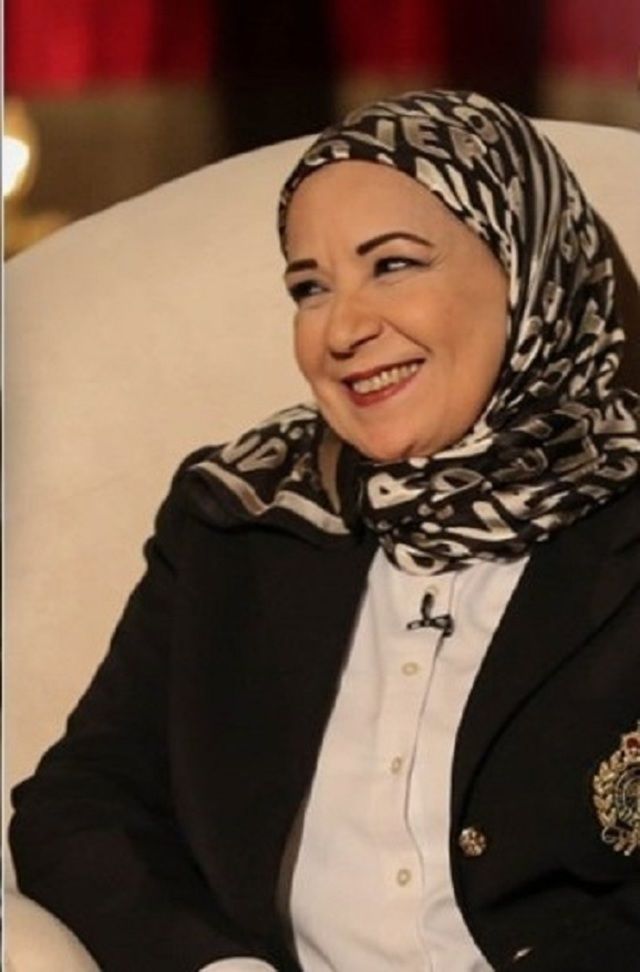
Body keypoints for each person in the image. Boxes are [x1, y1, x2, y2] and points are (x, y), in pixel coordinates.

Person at [10, 90, 640, 972]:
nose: (341, 330)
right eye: (310, 287)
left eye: (393, 265)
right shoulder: (238, 518)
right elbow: (81, 805)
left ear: (525, 270)